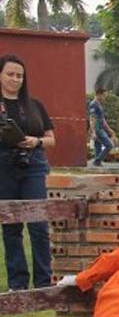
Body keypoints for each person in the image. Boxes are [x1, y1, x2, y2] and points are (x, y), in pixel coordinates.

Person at [0, 54, 54, 291]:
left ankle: (43, 281)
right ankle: (17, 283)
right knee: (11, 226)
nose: (15, 79)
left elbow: (52, 140)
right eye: (10, 74)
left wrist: (36, 141)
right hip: (4, 167)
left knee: (38, 224)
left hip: (33, 164)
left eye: (19, 75)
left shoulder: (34, 105)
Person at [88, 87, 116, 167]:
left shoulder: (99, 105)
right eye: (104, 95)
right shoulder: (93, 104)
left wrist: (108, 129)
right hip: (97, 129)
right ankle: (97, 161)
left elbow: (102, 119)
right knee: (109, 145)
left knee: (98, 147)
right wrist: (93, 132)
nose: (105, 97)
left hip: (100, 127)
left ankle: (97, 163)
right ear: (99, 94)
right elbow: (92, 119)